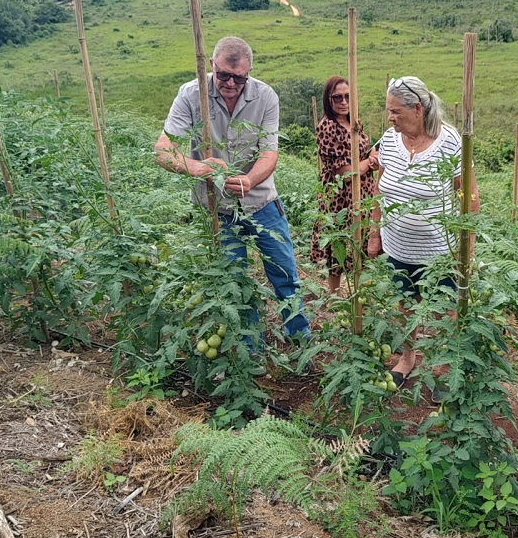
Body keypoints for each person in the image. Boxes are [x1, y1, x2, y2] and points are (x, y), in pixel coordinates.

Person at [154, 35, 310, 345]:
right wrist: (199, 168)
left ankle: (299, 337)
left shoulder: (266, 97)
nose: (230, 83)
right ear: (212, 66)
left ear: (249, 73)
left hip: (262, 203)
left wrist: (250, 180)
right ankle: (249, 349)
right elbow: (163, 150)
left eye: (239, 78)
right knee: (234, 282)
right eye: (224, 75)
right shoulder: (190, 94)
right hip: (217, 209)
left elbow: (269, 153)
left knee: (284, 272)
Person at [367, 76, 480, 397]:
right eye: (388, 111)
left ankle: (444, 369)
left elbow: (469, 196)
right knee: (403, 304)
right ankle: (407, 358)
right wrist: (375, 235)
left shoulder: (450, 142)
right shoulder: (388, 140)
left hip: (439, 252)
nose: (390, 118)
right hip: (397, 246)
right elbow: (379, 189)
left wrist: (466, 251)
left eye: (395, 111)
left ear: (417, 108)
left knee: (447, 311)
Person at [310, 76, 379, 296]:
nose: (343, 101)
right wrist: (367, 163)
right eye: (337, 97)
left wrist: (372, 158)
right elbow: (345, 173)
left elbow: (361, 157)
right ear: (328, 100)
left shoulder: (354, 122)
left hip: (362, 191)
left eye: (348, 96)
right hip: (339, 196)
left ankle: (358, 292)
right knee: (338, 243)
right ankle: (334, 296)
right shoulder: (327, 127)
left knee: (361, 239)